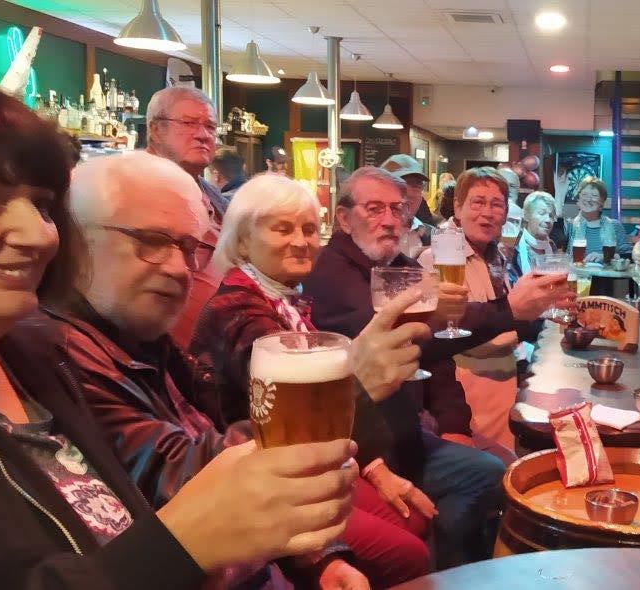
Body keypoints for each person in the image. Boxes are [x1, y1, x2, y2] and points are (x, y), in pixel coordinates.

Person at [0, 69, 357, 589]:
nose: (38, 234)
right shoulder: (68, 348)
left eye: (41, 205)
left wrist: (314, 557)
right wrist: (183, 545)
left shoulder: (33, 356)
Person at [49, 151, 431, 588]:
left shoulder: (144, 336)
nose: (177, 268)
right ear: (73, 239)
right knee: (412, 542)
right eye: (150, 241)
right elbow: (181, 471)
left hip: (264, 545)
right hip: (236, 555)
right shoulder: (63, 352)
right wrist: (348, 390)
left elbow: (216, 439)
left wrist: (320, 559)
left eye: (188, 247)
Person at [304, 166, 568, 568]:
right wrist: (509, 310)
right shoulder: (333, 272)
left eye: (397, 209)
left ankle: (456, 566)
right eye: (374, 209)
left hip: (407, 433)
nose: (390, 220)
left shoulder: (401, 264)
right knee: (494, 477)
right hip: (365, 447)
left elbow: (436, 355)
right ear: (343, 218)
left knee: (495, 472)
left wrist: (453, 423)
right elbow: (415, 339)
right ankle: (440, 568)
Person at [187, 174, 439, 586]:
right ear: (244, 241)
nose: (301, 241)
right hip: (262, 481)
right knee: (409, 550)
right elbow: (300, 416)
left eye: (308, 229)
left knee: (415, 520)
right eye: (282, 229)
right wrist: (374, 464)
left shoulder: (285, 299)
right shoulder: (239, 309)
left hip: (309, 462)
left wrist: (375, 467)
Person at [419, 168, 538, 462]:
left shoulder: (496, 255)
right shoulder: (435, 257)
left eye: (496, 205)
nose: (487, 213)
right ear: (457, 207)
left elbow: (505, 321)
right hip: (466, 400)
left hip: (503, 392)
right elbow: (435, 342)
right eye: (478, 202)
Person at [144, 86, 225, 348]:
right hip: (157, 353)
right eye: (189, 123)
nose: (203, 134)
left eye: (210, 127)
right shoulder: (132, 187)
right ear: (156, 129)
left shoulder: (213, 196)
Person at [563, 177, 631, 264]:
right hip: (577, 272)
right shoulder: (569, 225)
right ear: (578, 199)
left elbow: (628, 256)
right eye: (584, 194)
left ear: (602, 202)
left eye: (594, 195)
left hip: (606, 272)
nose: (589, 199)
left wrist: (606, 257)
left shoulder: (615, 226)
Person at [381, 154, 433, 258]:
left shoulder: (432, 235)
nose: (409, 193)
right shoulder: (368, 236)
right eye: (399, 185)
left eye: (416, 185)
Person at [510, 190, 557, 283]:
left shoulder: (552, 246)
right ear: (526, 216)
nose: (548, 220)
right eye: (542, 213)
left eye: (551, 216)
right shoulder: (513, 247)